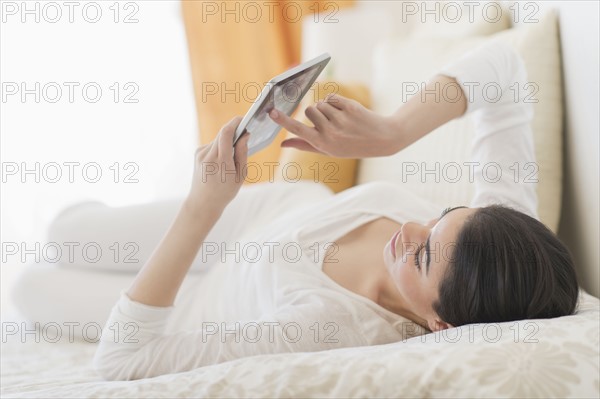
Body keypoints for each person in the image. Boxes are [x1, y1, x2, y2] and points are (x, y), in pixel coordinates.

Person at [93, 41, 579, 381]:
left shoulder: (332, 330)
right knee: (64, 231)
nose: (411, 227)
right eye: (438, 219)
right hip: (263, 213)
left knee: (33, 292)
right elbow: (503, 68)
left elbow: (122, 360)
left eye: (422, 256)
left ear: (442, 327)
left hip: (199, 292)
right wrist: (393, 133)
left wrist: (202, 207)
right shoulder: (503, 239)